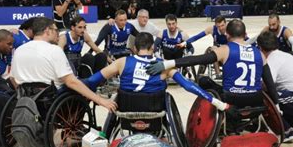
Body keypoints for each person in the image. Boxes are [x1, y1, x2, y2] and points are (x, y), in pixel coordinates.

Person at [146, 20, 279, 132]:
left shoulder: (225, 49)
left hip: (232, 100)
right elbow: (270, 85)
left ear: (227, 35)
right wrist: (277, 108)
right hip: (255, 102)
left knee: (204, 80)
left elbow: (197, 59)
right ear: (245, 35)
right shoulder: (260, 54)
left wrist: (166, 64)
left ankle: (218, 122)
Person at [83, 32, 228, 112]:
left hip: (126, 106)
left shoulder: (122, 62)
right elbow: (188, 85)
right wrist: (215, 101)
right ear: (153, 47)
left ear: (134, 48)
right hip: (154, 107)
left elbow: (92, 80)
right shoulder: (164, 66)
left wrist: (74, 84)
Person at [10, 17, 116, 112]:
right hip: (51, 100)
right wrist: (101, 100)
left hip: (27, 98)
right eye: (56, 30)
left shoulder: (19, 50)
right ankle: (78, 116)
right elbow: (71, 82)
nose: (58, 33)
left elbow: (12, 79)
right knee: (88, 82)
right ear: (47, 31)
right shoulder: (54, 50)